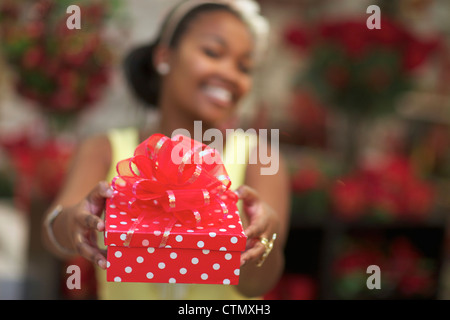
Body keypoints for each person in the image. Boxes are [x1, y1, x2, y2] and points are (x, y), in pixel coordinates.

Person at [43, 0, 290, 299]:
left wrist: (266, 238)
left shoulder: (260, 159)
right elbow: (52, 231)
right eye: (213, 52)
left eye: (244, 66)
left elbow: (255, 286)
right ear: (163, 56)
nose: (230, 74)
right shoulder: (105, 149)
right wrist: (73, 221)